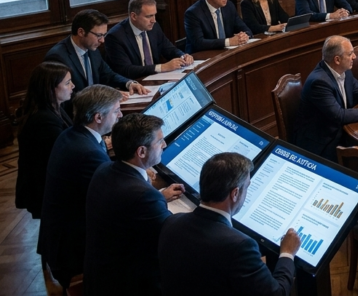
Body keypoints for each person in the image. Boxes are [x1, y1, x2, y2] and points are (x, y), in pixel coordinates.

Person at [159, 152, 301, 296]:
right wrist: (287, 254)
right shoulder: (240, 246)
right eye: (247, 187)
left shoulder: (172, 221)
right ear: (234, 194)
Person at [83, 113, 184, 295]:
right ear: (141, 152)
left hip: (99, 276)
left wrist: (159, 195)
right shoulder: (143, 196)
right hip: (129, 285)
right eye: (159, 141)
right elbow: (172, 240)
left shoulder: (104, 168)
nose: (164, 145)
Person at [39, 85, 122, 288]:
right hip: (73, 251)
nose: (120, 115)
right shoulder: (87, 152)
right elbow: (114, 200)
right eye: (116, 111)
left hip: (59, 238)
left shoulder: (71, 134)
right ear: (98, 117)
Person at [293, 36, 358, 160]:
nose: (354, 57)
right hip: (323, 143)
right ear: (337, 59)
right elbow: (339, 115)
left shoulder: (344, 70)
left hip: (340, 131)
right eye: (350, 54)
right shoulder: (319, 82)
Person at [16, 63, 74, 223]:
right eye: (68, 83)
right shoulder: (43, 120)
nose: (73, 86)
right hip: (47, 190)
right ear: (51, 88)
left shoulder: (54, 108)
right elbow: (64, 155)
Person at [44, 9, 148, 97]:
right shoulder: (57, 57)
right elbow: (64, 97)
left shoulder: (92, 49)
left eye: (104, 35)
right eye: (99, 35)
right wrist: (105, 97)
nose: (102, 40)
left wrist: (129, 83)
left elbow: (108, 74)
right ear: (81, 32)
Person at [105, 0, 193, 80]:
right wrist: (162, 67)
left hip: (156, 79)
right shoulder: (115, 37)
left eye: (154, 15)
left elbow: (168, 48)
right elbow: (126, 70)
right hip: (135, 83)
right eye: (149, 16)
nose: (154, 20)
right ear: (134, 16)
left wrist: (182, 56)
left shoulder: (154, 27)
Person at [184, 0, 253, 53]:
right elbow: (199, 43)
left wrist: (244, 36)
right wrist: (228, 42)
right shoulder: (193, 13)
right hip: (202, 57)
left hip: (225, 53)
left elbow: (246, 29)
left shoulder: (229, 6)